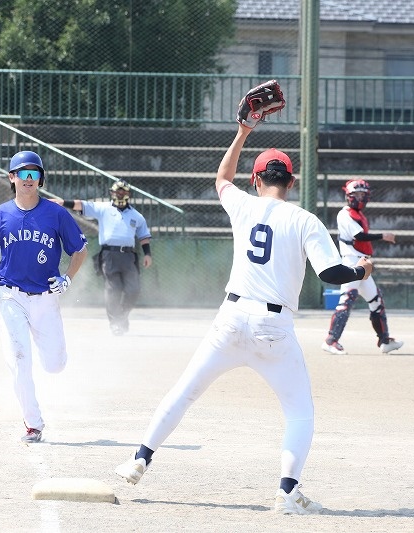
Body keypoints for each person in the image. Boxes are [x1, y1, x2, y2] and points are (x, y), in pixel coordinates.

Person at [114, 120, 377, 515]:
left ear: (256, 180)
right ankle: (287, 493)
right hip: (274, 329)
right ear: (291, 182)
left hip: (231, 318)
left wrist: (243, 132)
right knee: (299, 412)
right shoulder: (305, 219)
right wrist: (361, 271)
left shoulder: (243, 204)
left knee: (185, 391)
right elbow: (330, 274)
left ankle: (140, 458)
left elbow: (222, 178)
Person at [0, 150, 88, 443]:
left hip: (46, 299)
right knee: (19, 359)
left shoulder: (56, 213)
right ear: (11, 177)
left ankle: (45, 349)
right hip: (11, 297)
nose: (28, 178)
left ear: (40, 179)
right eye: (22, 173)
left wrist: (67, 278)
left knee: (54, 365)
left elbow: (80, 250)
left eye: (34, 173)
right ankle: (33, 424)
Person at [50, 180, 152, 336]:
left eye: (123, 192)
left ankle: (122, 316)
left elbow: (144, 236)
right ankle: (115, 323)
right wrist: (63, 202)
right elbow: (82, 205)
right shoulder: (104, 208)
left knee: (134, 290)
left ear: (128, 194)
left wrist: (148, 254)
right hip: (109, 255)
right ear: (112, 193)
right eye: (117, 192)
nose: (120, 194)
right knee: (113, 289)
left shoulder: (136, 216)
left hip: (128, 256)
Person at [321, 179, 404, 355]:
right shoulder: (344, 214)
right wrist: (383, 235)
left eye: (362, 195)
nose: (360, 198)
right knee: (347, 300)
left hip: (362, 262)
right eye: (356, 195)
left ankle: (384, 340)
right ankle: (331, 341)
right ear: (348, 196)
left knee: (376, 300)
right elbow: (359, 236)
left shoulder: (358, 215)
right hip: (351, 262)